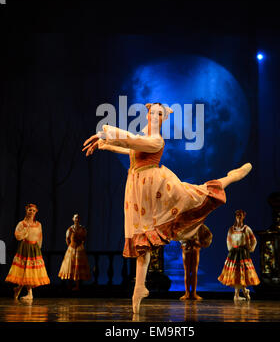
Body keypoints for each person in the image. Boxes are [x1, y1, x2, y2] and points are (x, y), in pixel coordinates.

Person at [82, 102, 252, 313]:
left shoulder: (155, 140)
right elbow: (131, 148)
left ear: (163, 118)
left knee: (198, 194)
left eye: (159, 114)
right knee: (142, 240)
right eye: (152, 112)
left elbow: (134, 141)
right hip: (138, 190)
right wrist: (104, 145)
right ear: (147, 115)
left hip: (158, 188)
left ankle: (231, 177)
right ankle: (139, 288)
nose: (154, 116)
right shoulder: (144, 138)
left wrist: (105, 133)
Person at [5, 203, 50, 300]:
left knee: (30, 271)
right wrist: (24, 232)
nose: (32, 212)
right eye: (30, 210)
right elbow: (17, 236)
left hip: (34, 248)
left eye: (34, 211)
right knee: (26, 269)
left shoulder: (38, 224)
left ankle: (18, 288)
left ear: (36, 212)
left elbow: (40, 237)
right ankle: (30, 294)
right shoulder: (22, 224)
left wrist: (38, 248)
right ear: (26, 210)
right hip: (25, 247)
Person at [218, 209, 260, 301]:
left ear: (243, 216)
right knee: (235, 272)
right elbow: (228, 240)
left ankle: (240, 293)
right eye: (237, 215)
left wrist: (251, 248)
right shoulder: (231, 229)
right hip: (234, 253)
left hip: (243, 253)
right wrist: (231, 250)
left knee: (242, 272)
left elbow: (254, 240)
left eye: (240, 215)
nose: (239, 217)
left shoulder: (246, 229)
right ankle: (240, 292)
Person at [180, 224, 212, 301]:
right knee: (187, 271)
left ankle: (193, 293)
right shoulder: (185, 225)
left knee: (194, 271)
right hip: (186, 248)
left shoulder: (199, 225)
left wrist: (200, 243)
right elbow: (179, 234)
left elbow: (208, 235)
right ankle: (187, 293)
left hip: (195, 248)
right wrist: (184, 242)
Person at [58, 214, 91, 290]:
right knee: (70, 266)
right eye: (75, 218)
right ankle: (69, 285)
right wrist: (70, 246)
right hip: (72, 249)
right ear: (73, 219)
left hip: (79, 249)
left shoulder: (83, 229)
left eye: (78, 218)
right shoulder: (70, 229)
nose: (77, 219)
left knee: (78, 267)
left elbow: (84, 238)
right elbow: (67, 239)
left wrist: (80, 244)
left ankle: (77, 285)